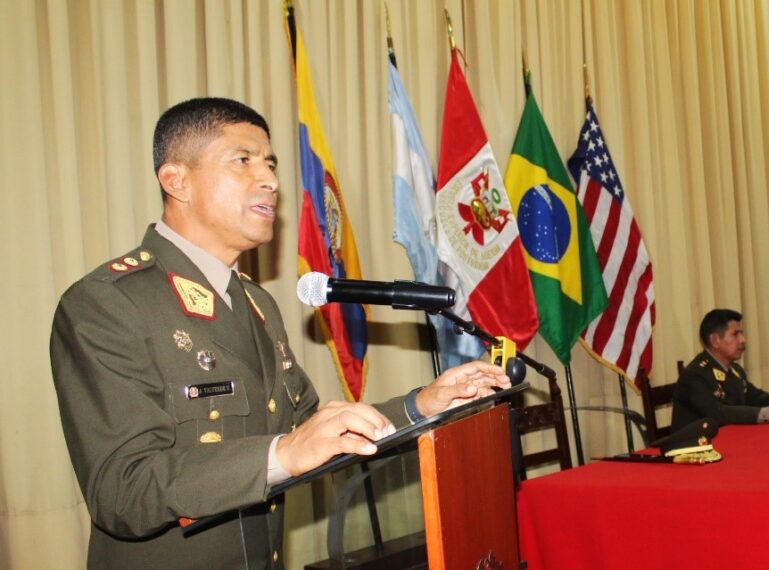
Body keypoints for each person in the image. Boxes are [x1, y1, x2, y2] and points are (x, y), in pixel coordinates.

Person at [49, 97, 510, 569]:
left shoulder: (256, 303)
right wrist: (285, 452)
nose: (270, 180)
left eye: (269, 163)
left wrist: (422, 405)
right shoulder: (107, 304)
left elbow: (313, 433)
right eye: (243, 160)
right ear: (177, 181)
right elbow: (122, 491)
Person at [671, 308, 769, 431]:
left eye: (742, 333)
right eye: (735, 335)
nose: (743, 340)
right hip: (695, 455)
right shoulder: (695, 375)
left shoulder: (734, 370)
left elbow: (759, 398)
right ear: (715, 340)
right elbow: (717, 413)